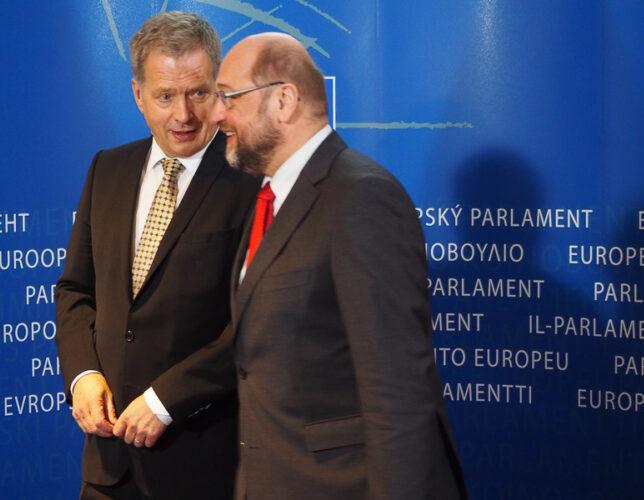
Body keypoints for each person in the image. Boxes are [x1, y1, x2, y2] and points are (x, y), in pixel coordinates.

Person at [207, 32, 468, 499]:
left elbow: (399, 394)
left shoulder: (360, 197)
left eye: (229, 96)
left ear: (284, 100)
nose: (216, 114)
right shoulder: (268, 199)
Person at [55, 12, 259, 499]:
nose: (183, 115)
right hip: (108, 467)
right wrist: (83, 375)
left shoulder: (254, 183)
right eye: (165, 96)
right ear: (137, 95)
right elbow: (75, 290)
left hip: (205, 467)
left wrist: (168, 400)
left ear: (219, 91)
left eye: (198, 93)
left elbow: (259, 325)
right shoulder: (108, 169)